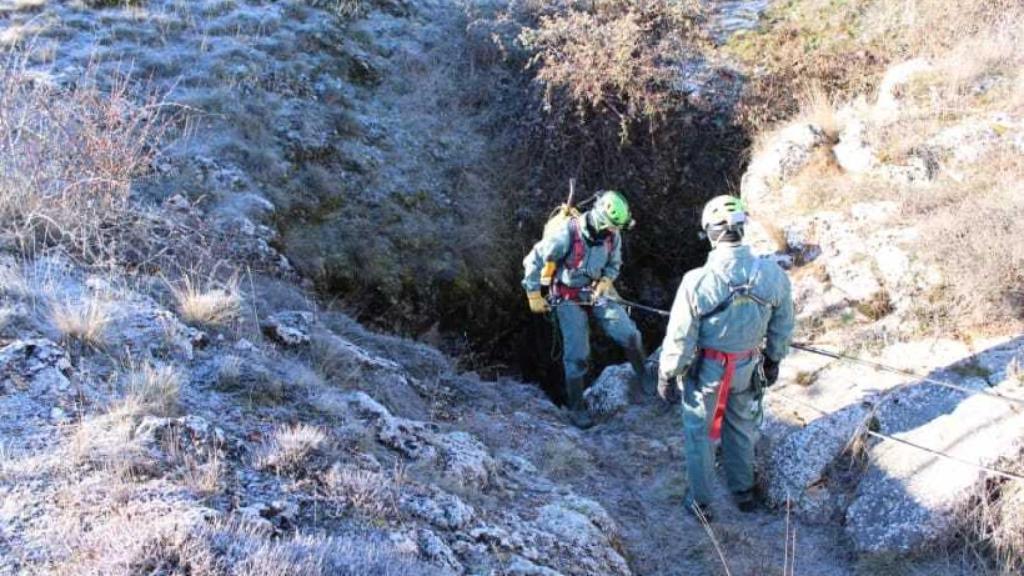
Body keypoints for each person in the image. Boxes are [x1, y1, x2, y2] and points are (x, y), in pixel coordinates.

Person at [658, 195, 794, 520]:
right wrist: (774, 359)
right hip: (747, 367)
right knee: (741, 426)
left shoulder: (697, 282)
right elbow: (783, 324)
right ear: (742, 229)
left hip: (708, 371)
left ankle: (701, 501)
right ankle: (743, 492)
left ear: (711, 232)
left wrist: (667, 374)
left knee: (699, 433)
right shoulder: (772, 274)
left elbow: (680, 336)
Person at [522, 190, 648, 429]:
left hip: (595, 291)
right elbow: (534, 259)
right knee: (577, 355)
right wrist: (533, 293)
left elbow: (614, 263)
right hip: (567, 295)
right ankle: (577, 408)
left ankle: (645, 377)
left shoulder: (612, 237)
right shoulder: (566, 234)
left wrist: (606, 281)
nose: (616, 232)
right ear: (603, 221)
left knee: (629, 334)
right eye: (613, 227)